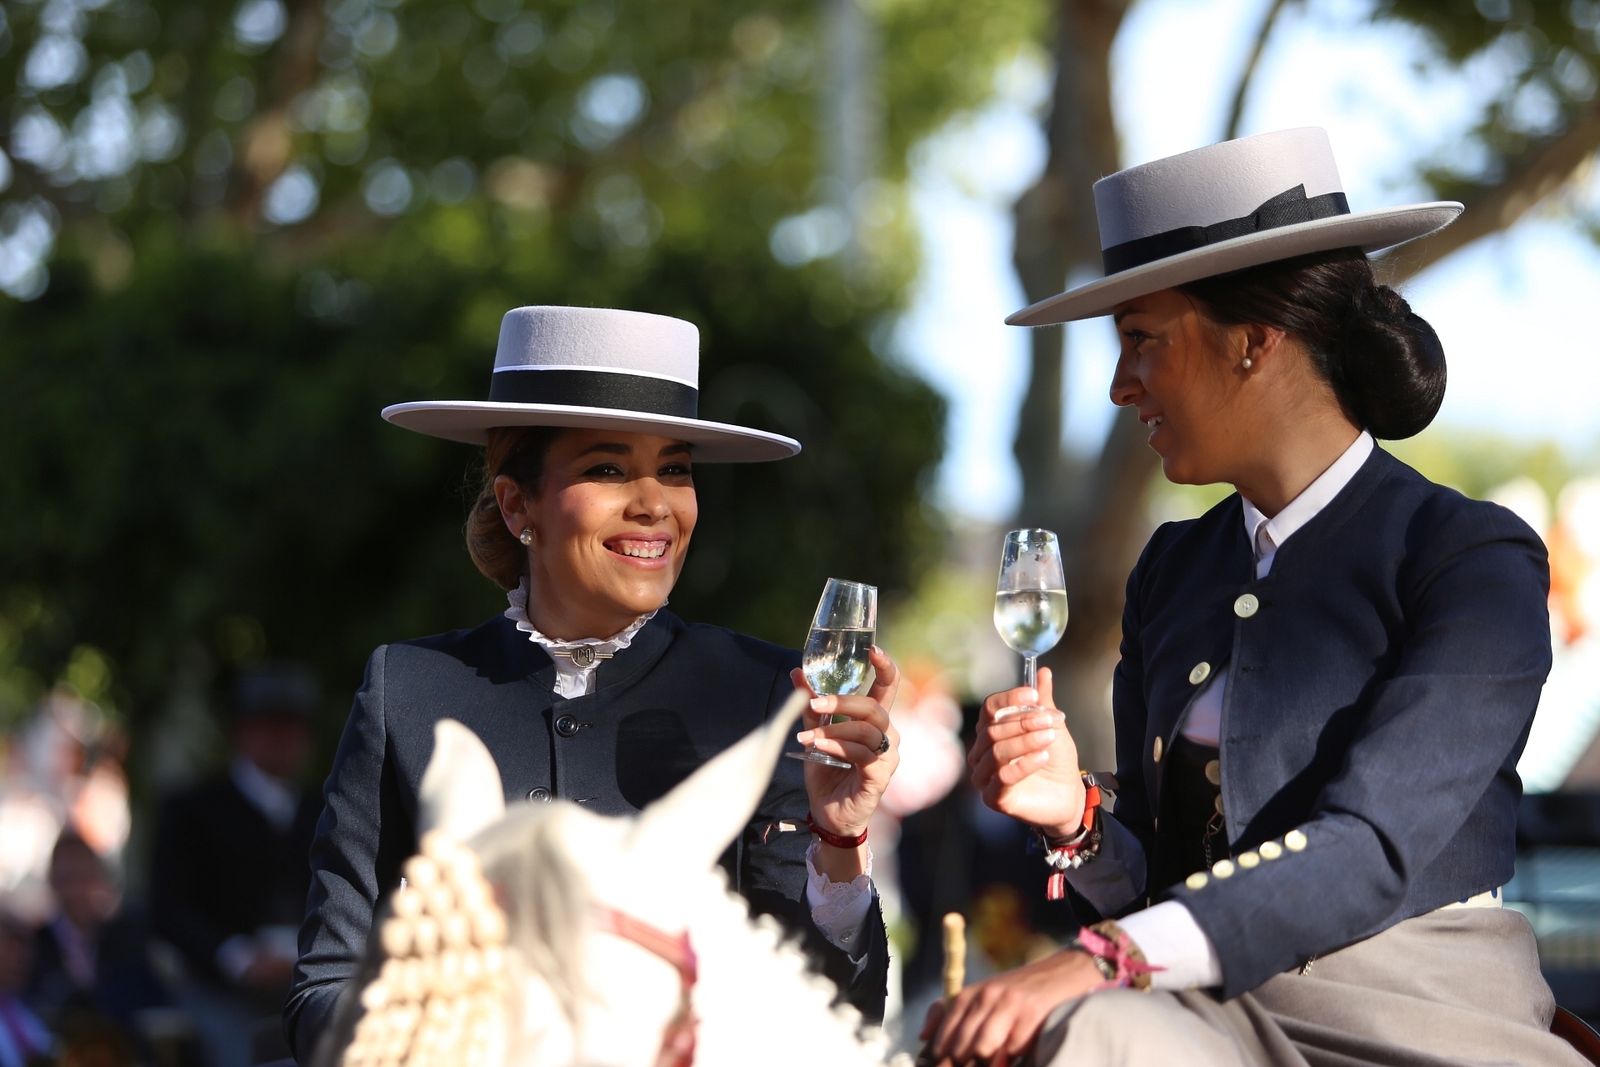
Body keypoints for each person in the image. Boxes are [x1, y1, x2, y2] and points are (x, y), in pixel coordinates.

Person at [920, 127, 1586, 1065]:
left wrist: (1105, 959)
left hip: (1418, 1020)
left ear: (1254, 341)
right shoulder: (1172, 568)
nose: (1118, 386)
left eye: (1140, 339)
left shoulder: (1471, 557)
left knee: (1087, 1025)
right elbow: (1162, 873)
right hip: (1202, 1011)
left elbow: (1373, 843)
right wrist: (1076, 815)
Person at [285, 305, 901, 1062]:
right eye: (608, 469)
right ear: (518, 504)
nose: (654, 504)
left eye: (675, 469)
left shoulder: (766, 692)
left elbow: (831, 1019)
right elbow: (323, 993)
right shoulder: (406, 689)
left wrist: (839, 840)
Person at [150, 664, 322, 1067]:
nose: (283, 740)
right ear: (242, 732)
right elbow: (168, 908)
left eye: (293, 728)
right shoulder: (192, 809)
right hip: (219, 993)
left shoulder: (325, 809)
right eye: (270, 726)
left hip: (309, 985)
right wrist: (238, 958)